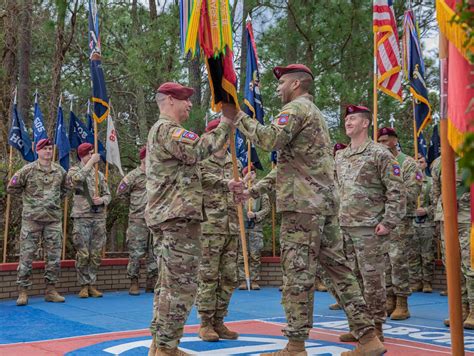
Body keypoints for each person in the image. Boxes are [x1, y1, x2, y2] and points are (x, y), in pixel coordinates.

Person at [224, 64, 385, 356]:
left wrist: (237, 117)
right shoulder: (314, 114)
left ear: (297, 84)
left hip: (302, 209)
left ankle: (295, 345)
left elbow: (270, 140)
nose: (277, 88)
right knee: (341, 272)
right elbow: (294, 165)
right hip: (320, 206)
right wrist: (253, 190)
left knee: (297, 275)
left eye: (281, 82)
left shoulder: (296, 109)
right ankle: (368, 337)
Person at [145, 82, 235, 356]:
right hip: (177, 219)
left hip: (172, 218)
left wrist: (225, 185)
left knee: (167, 287)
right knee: (180, 289)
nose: (190, 105)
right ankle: (166, 348)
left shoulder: (162, 132)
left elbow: (193, 172)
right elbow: (200, 149)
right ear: (170, 100)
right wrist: (226, 122)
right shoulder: (167, 130)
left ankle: (160, 345)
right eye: (186, 100)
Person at [335, 105, 405, 342]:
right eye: (346, 119)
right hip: (344, 227)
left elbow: (397, 191)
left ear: (366, 123)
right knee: (351, 280)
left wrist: (388, 222)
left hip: (369, 228)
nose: (348, 122)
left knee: (373, 281)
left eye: (353, 118)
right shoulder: (340, 156)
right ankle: (360, 327)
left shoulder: (379, 153)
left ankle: (376, 328)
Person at [7, 138, 69, 306]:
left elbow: (65, 188)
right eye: (45, 149)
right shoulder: (27, 170)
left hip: (53, 221)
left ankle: (51, 290)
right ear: (37, 151)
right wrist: (30, 202)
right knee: (27, 257)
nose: (48, 152)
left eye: (50, 149)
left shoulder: (60, 171)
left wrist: (52, 203)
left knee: (54, 257)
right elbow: (12, 188)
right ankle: (23, 291)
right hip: (31, 220)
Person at [195, 118, 240, 342]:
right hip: (210, 228)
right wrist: (227, 183)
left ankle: (219, 320)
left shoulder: (235, 163)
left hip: (232, 227)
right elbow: (202, 179)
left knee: (230, 277)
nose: (225, 140)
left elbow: (237, 191)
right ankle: (205, 323)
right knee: (208, 276)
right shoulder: (200, 162)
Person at [377, 127, 422, 320]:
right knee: (384, 261)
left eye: (386, 140)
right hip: (382, 219)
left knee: (398, 262)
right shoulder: (379, 163)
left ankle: (402, 302)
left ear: (395, 140)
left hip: (401, 221)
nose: (382, 144)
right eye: (379, 141)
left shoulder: (409, 164)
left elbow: (413, 192)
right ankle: (389, 299)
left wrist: (392, 203)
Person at [432, 155, 474, 328]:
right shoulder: (440, 162)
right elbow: (436, 192)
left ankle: (473, 310)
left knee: (470, 267)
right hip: (447, 221)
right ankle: (460, 309)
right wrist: (439, 215)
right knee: (453, 267)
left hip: (468, 220)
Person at [67, 142, 111, 298]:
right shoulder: (74, 170)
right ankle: (83, 285)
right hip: (82, 217)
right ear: (82, 155)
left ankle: (91, 284)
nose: (92, 156)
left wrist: (102, 200)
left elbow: (108, 195)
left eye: (92, 153)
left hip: (98, 217)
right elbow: (76, 181)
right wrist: (91, 163)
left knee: (96, 254)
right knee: (83, 253)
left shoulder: (99, 174)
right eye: (88, 154)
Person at [117, 147, 158, 295]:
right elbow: (121, 193)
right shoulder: (133, 176)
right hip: (137, 220)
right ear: (143, 158)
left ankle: (151, 281)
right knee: (136, 252)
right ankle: (133, 282)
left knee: (154, 252)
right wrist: (134, 207)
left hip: (154, 219)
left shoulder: (157, 175)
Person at [238, 164, 271, 291]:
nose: (250, 175)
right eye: (248, 173)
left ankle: (255, 280)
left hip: (255, 227)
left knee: (255, 254)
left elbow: (267, 208)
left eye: (252, 173)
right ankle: (243, 279)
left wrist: (256, 215)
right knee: (242, 254)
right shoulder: (239, 189)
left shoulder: (260, 190)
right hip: (242, 226)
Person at [410, 154, 435, 293]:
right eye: (415, 162)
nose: (418, 164)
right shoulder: (408, 182)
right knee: (413, 255)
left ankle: (427, 282)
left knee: (427, 255)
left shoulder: (430, 182)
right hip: (411, 223)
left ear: (425, 164)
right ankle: (416, 281)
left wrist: (425, 210)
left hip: (426, 224)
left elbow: (436, 202)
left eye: (421, 161)